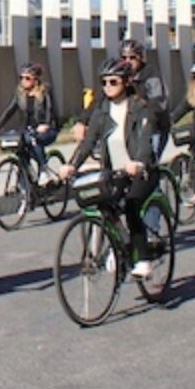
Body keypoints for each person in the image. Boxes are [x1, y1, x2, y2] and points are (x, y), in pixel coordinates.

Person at [68, 58, 161, 278]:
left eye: (114, 82)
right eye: (104, 82)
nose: (108, 87)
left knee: (130, 206)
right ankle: (118, 246)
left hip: (141, 171)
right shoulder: (102, 111)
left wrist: (139, 162)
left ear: (127, 82)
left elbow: (146, 140)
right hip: (114, 172)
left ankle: (143, 259)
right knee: (101, 203)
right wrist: (71, 165)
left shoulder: (141, 108)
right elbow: (88, 142)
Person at [0, 62, 59, 183]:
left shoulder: (45, 90)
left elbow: (50, 109)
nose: (23, 81)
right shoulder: (19, 93)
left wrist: (46, 124)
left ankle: (43, 170)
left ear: (35, 80)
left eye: (27, 78)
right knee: (19, 147)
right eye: (21, 78)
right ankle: (25, 185)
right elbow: (9, 110)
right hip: (27, 129)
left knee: (34, 139)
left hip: (47, 130)